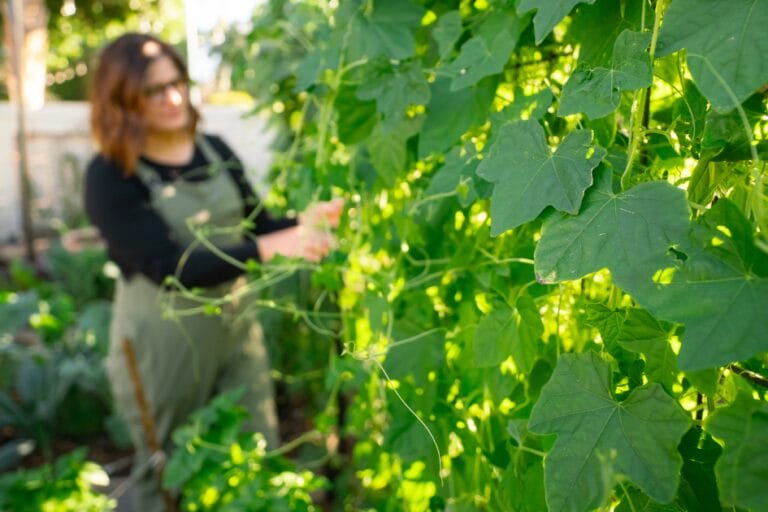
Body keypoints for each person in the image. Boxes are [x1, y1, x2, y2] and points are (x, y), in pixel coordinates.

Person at [83, 32, 341, 512]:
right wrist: (270, 246)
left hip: (235, 327)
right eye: (154, 90)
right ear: (121, 101)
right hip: (162, 341)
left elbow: (259, 227)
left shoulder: (215, 149)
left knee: (253, 451)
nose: (174, 97)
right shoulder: (109, 175)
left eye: (177, 82)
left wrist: (307, 223)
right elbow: (168, 266)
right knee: (168, 466)